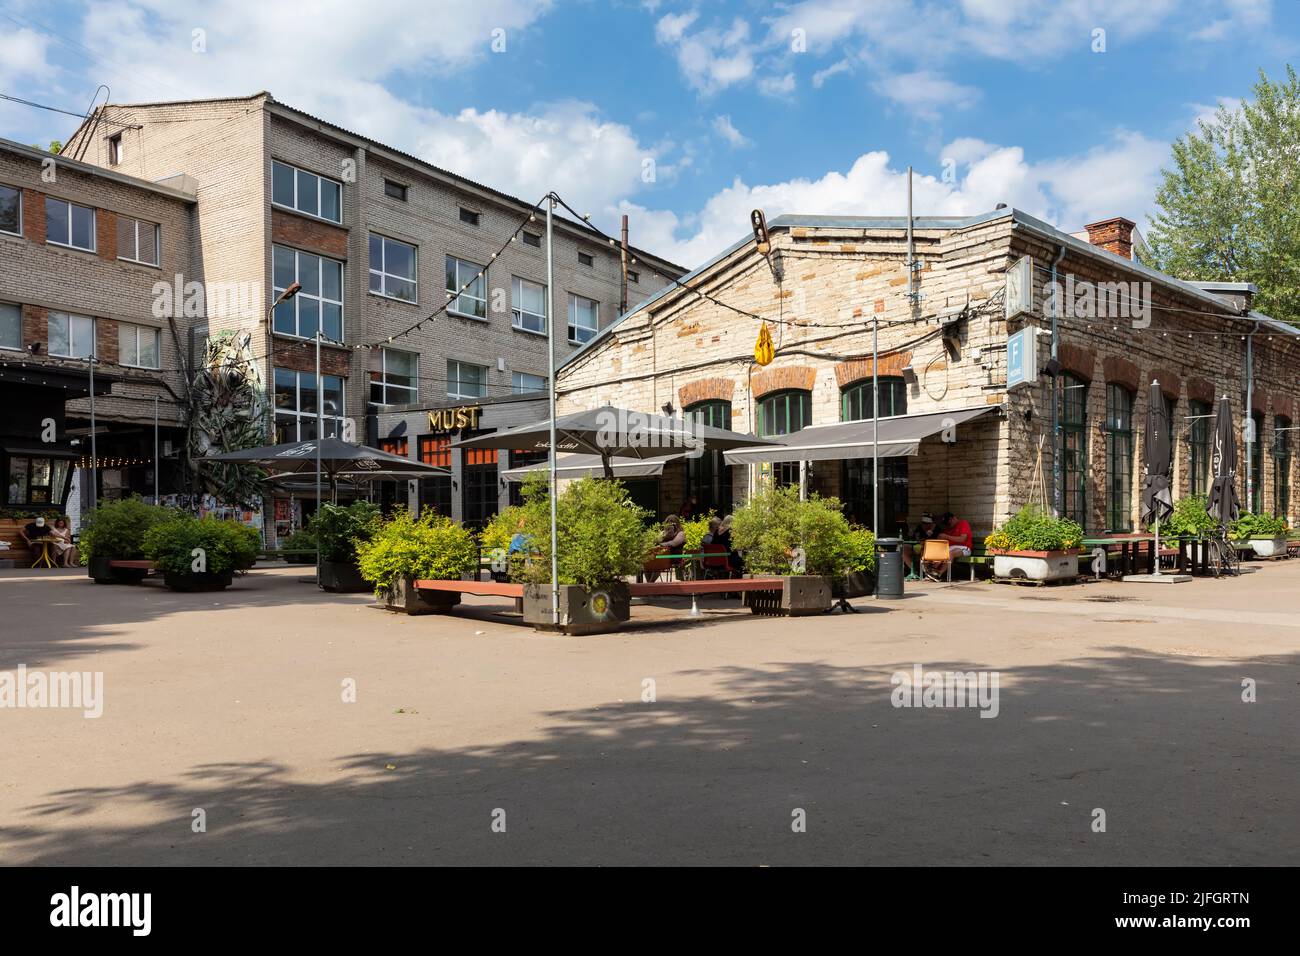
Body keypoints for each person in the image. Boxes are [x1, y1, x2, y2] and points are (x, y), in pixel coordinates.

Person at [925, 511, 973, 580]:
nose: (948, 525)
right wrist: (940, 537)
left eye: (948, 523)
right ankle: (932, 572)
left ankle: (939, 574)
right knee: (938, 553)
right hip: (949, 548)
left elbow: (962, 539)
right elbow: (943, 539)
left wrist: (947, 536)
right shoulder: (948, 527)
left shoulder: (963, 523)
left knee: (950, 553)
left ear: (952, 518)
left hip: (964, 548)